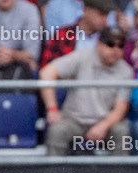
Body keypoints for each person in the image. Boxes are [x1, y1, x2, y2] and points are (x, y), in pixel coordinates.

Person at [40, 25, 132, 156]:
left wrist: (103, 125)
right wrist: (52, 108)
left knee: (122, 131)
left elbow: (120, 109)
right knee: (57, 130)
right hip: (74, 120)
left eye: (120, 46)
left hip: (104, 122)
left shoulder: (126, 71)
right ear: (99, 44)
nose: (115, 50)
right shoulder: (82, 57)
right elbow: (46, 73)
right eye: (111, 45)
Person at [40, 0, 114, 68]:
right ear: (85, 10)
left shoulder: (110, 38)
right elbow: (48, 65)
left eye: (107, 15)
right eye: (101, 14)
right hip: (68, 80)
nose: (105, 20)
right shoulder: (63, 34)